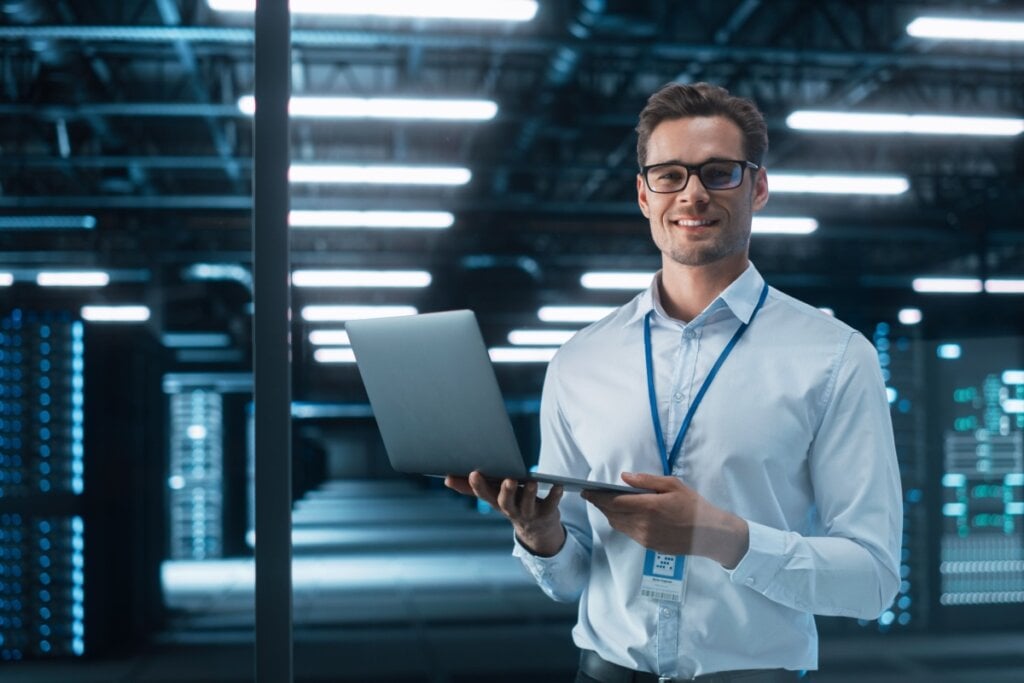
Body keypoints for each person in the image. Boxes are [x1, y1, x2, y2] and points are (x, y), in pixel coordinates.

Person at [446, 82, 902, 682]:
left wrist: (723, 537)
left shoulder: (836, 358)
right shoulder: (581, 359)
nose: (692, 193)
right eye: (669, 175)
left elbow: (871, 580)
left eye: (719, 172)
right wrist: (542, 535)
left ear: (757, 187)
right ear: (643, 194)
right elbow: (574, 578)